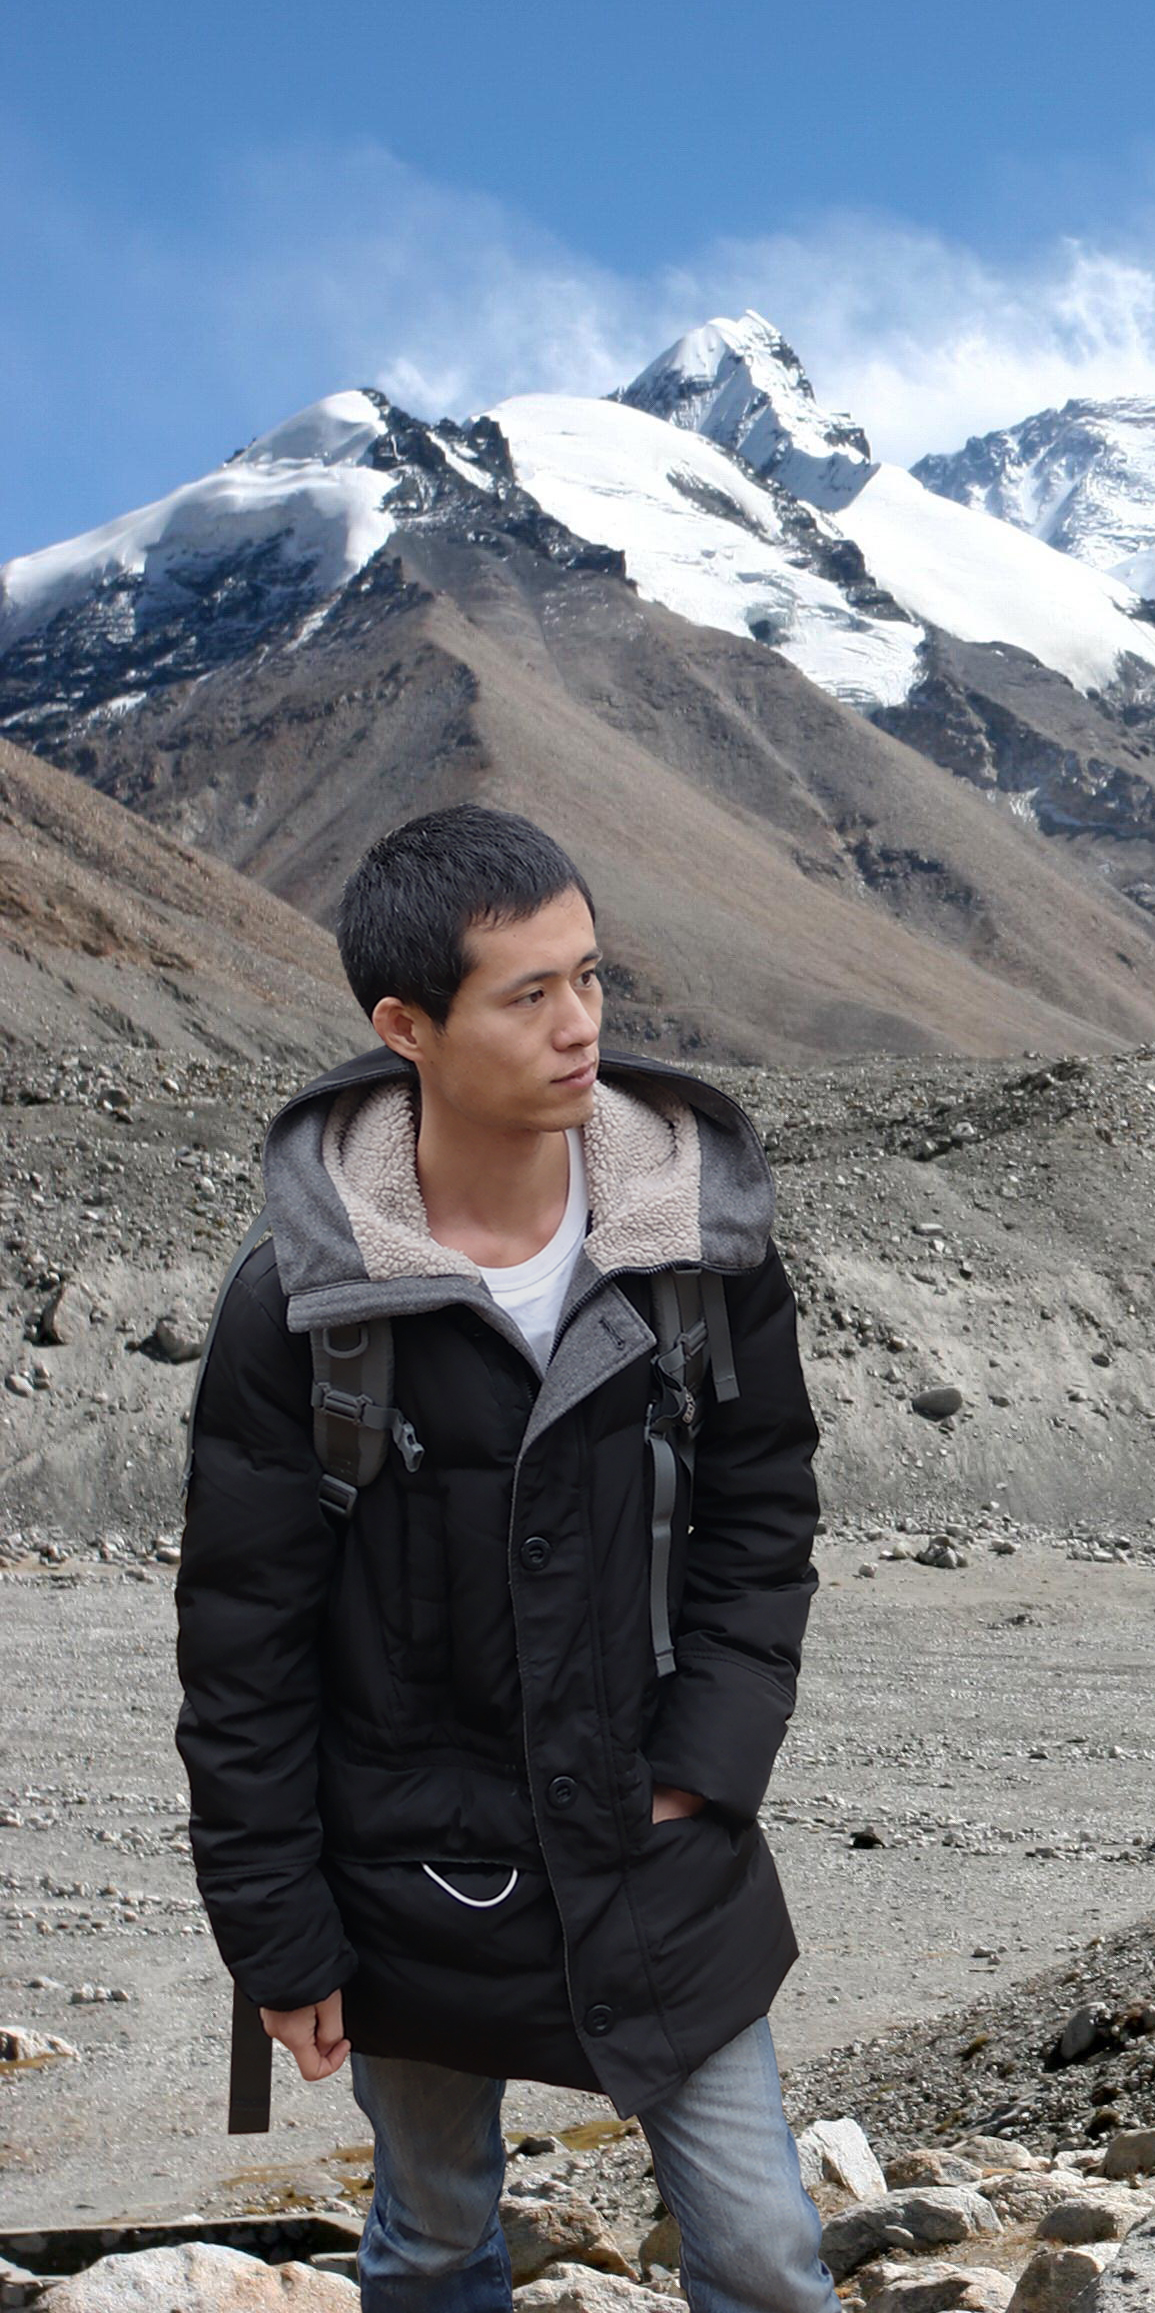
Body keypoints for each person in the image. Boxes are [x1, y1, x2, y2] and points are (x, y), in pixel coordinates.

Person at [175, 806, 834, 2309]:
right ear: (404, 1025)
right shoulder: (301, 1310)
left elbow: (763, 1517)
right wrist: (280, 1936)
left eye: (590, 978)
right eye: (527, 995)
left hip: (663, 1852)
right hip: (406, 1883)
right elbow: (243, 1652)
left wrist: (704, 1764)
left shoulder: (699, 1249)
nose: (579, 1026)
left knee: (766, 2253)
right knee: (427, 2243)